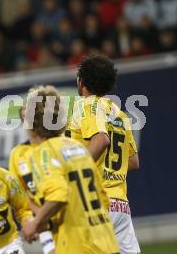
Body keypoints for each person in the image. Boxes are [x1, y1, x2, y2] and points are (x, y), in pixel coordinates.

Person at [21, 85, 119, 254]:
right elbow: (103, 198)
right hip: (107, 241)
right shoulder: (78, 147)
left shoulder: (43, 153)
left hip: (78, 244)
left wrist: (35, 223)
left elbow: (59, 195)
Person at [66, 54, 141, 254]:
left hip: (95, 200)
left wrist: (73, 173)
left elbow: (101, 140)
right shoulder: (119, 114)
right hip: (120, 205)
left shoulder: (87, 104)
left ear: (81, 82)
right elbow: (133, 162)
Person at [8, 106, 55, 254]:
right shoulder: (17, 154)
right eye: (25, 119)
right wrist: (36, 219)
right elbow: (19, 195)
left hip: (69, 215)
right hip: (44, 223)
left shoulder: (59, 144)